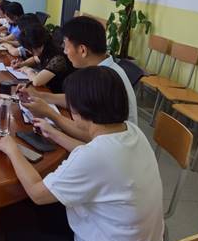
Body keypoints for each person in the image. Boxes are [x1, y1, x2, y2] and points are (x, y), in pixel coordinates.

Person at [0, 67, 164, 241]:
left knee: (13, 224)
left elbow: (37, 193)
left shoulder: (95, 156)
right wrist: (55, 134)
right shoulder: (132, 131)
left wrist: (12, 149)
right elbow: (93, 156)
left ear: (81, 111)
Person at [20, 16, 139, 152]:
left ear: (82, 50)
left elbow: (91, 135)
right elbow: (78, 99)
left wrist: (50, 113)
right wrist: (40, 96)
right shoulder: (101, 69)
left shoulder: (105, 78)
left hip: (113, 149)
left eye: (66, 46)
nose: (64, 51)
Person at [11, 23, 74, 92]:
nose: (29, 52)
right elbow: (35, 59)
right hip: (46, 90)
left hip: (56, 93)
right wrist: (22, 64)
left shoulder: (58, 58)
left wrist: (27, 70)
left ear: (34, 46)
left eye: (28, 48)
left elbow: (36, 82)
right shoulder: (45, 47)